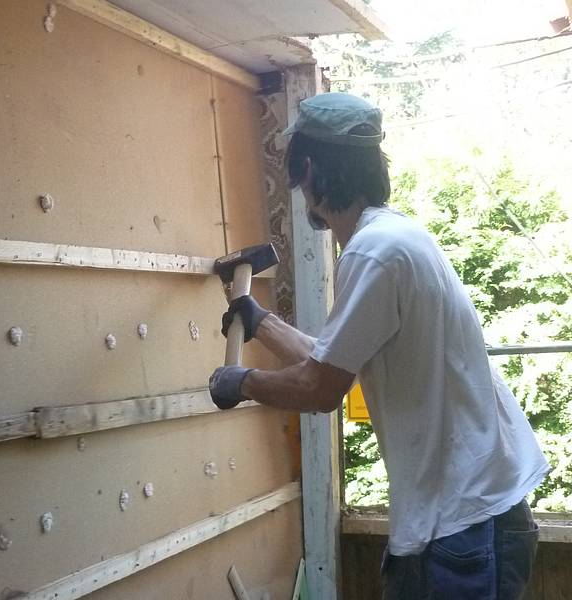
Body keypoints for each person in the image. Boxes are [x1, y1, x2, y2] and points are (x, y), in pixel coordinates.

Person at [209, 92, 549, 599]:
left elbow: (321, 389)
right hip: (464, 518)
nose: (300, 189)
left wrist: (242, 383)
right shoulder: (395, 238)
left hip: (465, 527)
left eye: (298, 175)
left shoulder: (374, 253)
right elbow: (333, 359)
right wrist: (260, 323)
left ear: (309, 169)